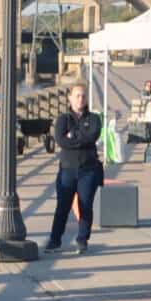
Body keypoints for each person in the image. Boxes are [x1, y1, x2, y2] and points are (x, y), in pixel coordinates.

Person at [47, 81, 106, 254]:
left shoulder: (94, 119)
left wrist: (73, 137)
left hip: (88, 170)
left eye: (83, 96)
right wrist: (78, 138)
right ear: (70, 98)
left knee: (85, 205)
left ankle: (82, 239)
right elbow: (60, 140)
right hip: (67, 169)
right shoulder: (63, 119)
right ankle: (54, 240)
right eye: (77, 96)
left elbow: (92, 137)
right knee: (62, 206)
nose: (81, 99)